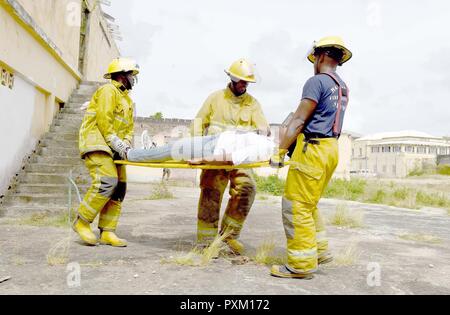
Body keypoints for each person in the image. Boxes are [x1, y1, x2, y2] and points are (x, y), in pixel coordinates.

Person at [270, 36, 352, 278]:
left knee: (296, 206)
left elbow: (298, 120)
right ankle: (320, 251)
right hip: (330, 150)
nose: (314, 62)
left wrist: (280, 151)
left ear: (322, 56)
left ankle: (300, 265)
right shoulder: (341, 86)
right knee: (310, 204)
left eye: (315, 57)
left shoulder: (316, 82)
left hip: (313, 150)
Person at [190, 59, 271, 255]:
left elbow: (263, 128)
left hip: (239, 157)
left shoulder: (253, 104)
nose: (245, 85)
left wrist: (263, 132)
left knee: (247, 188)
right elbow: (198, 123)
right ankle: (206, 241)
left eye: (247, 82)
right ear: (232, 79)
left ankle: (228, 237)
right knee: (211, 192)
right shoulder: (215, 99)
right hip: (215, 155)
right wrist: (196, 149)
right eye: (241, 81)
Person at [73, 57, 139, 247]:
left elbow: (129, 129)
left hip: (115, 148)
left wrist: (125, 144)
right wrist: (117, 144)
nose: (133, 79)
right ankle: (82, 221)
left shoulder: (127, 100)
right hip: (98, 143)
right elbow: (104, 122)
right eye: (131, 75)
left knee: (120, 188)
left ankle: (107, 232)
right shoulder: (107, 91)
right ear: (121, 75)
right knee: (106, 182)